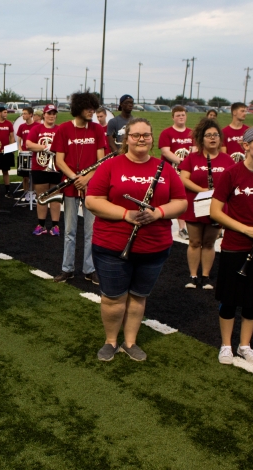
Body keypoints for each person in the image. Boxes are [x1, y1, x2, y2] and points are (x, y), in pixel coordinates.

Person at [85, 117, 187, 362]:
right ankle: (111, 341)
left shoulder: (165, 168)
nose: (141, 139)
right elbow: (92, 201)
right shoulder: (111, 165)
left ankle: (130, 341)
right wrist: (126, 214)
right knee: (113, 298)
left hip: (154, 245)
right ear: (126, 138)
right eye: (135, 135)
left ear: (152, 138)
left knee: (139, 296)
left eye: (146, 135)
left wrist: (158, 213)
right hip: (112, 244)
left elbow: (181, 202)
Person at [210, 126, 253, 365]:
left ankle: (245, 345)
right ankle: (226, 344)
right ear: (246, 145)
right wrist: (245, 229)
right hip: (235, 245)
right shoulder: (231, 173)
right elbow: (215, 212)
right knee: (230, 299)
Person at [52, 92, 107, 284]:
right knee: (69, 230)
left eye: (94, 108)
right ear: (78, 109)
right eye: (88, 108)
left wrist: (87, 178)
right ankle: (67, 269)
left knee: (91, 231)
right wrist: (76, 178)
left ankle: (89, 269)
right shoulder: (63, 129)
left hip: (92, 188)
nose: (92, 111)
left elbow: (101, 161)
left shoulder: (98, 130)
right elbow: (59, 160)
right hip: (70, 186)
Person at [179, 118, 234, 289]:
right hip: (196, 204)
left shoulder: (227, 160)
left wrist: (217, 194)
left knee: (210, 242)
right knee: (195, 242)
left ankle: (206, 276)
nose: (212, 138)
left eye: (215, 135)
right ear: (201, 138)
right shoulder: (192, 158)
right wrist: (203, 190)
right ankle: (193, 275)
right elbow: (183, 179)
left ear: (220, 138)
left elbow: (232, 183)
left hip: (217, 206)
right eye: (208, 135)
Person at [26, 104, 62, 235]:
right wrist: (45, 147)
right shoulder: (37, 129)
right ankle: (41, 224)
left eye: (53, 113)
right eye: (49, 113)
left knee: (55, 197)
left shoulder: (60, 129)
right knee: (42, 197)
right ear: (44, 115)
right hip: (39, 167)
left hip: (56, 167)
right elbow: (29, 144)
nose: (51, 116)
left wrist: (55, 147)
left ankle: (55, 225)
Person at [159, 105, 194, 239]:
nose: (181, 117)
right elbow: (165, 151)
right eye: (178, 115)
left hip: (187, 172)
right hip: (171, 171)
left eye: (183, 115)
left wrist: (188, 165)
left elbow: (195, 151)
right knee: (170, 198)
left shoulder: (192, 133)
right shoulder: (166, 133)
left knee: (185, 198)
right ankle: (168, 224)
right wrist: (183, 162)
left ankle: (183, 227)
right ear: (173, 117)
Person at [16, 107, 36, 199]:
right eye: (23, 113)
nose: (23, 115)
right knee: (25, 177)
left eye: (25, 113)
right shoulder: (21, 126)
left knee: (35, 177)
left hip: (35, 154)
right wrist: (20, 150)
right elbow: (19, 140)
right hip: (25, 154)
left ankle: (34, 195)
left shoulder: (37, 126)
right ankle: (27, 196)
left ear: (31, 114)